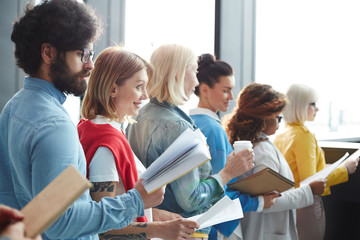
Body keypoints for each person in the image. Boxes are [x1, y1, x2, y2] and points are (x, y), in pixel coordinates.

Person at [0, 1, 164, 240]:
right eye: (82, 54)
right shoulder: (55, 125)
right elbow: (60, 222)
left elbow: (9, 198)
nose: (90, 65)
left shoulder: (14, 106)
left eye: (91, 54)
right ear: (48, 53)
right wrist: (135, 201)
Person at [127, 44, 255, 240]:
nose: (196, 80)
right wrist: (227, 173)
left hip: (152, 228)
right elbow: (191, 199)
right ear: (178, 73)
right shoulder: (177, 126)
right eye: (194, 71)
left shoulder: (138, 116)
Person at [77, 46, 199, 240]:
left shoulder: (96, 128)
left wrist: (156, 216)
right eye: (138, 86)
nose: (145, 96)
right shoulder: (106, 142)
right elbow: (102, 229)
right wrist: (161, 230)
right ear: (113, 88)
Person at [189, 54, 278, 240]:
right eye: (225, 90)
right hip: (216, 226)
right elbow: (219, 189)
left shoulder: (190, 123)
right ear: (205, 90)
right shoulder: (214, 131)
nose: (231, 97)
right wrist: (258, 202)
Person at [223, 83, 327, 240]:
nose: (280, 123)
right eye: (278, 117)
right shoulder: (262, 152)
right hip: (266, 232)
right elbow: (269, 202)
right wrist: (309, 191)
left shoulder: (251, 145)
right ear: (263, 119)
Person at [273, 83, 359, 240]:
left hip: (289, 203)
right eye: (312, 104)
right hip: (306, 205)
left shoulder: (282, 134)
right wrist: (345, 169)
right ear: (299, 106)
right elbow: (311, 181)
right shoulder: (304, 135)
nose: (317, 109)